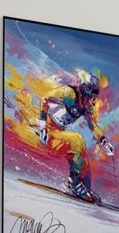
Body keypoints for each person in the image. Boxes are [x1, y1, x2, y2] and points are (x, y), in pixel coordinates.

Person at [35, 69, 114, 203]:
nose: (92, 102)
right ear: (84, 92)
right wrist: (42, 125)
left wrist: (104, 141)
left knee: (85, 166)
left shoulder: (86, 106)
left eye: (94, 98)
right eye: (91, 97)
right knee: (77, 140)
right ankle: (73, 184)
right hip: (49, 134)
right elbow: (45, 99)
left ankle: (84, 189)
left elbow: (92, 125)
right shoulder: (69, 93)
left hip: (60, 135)